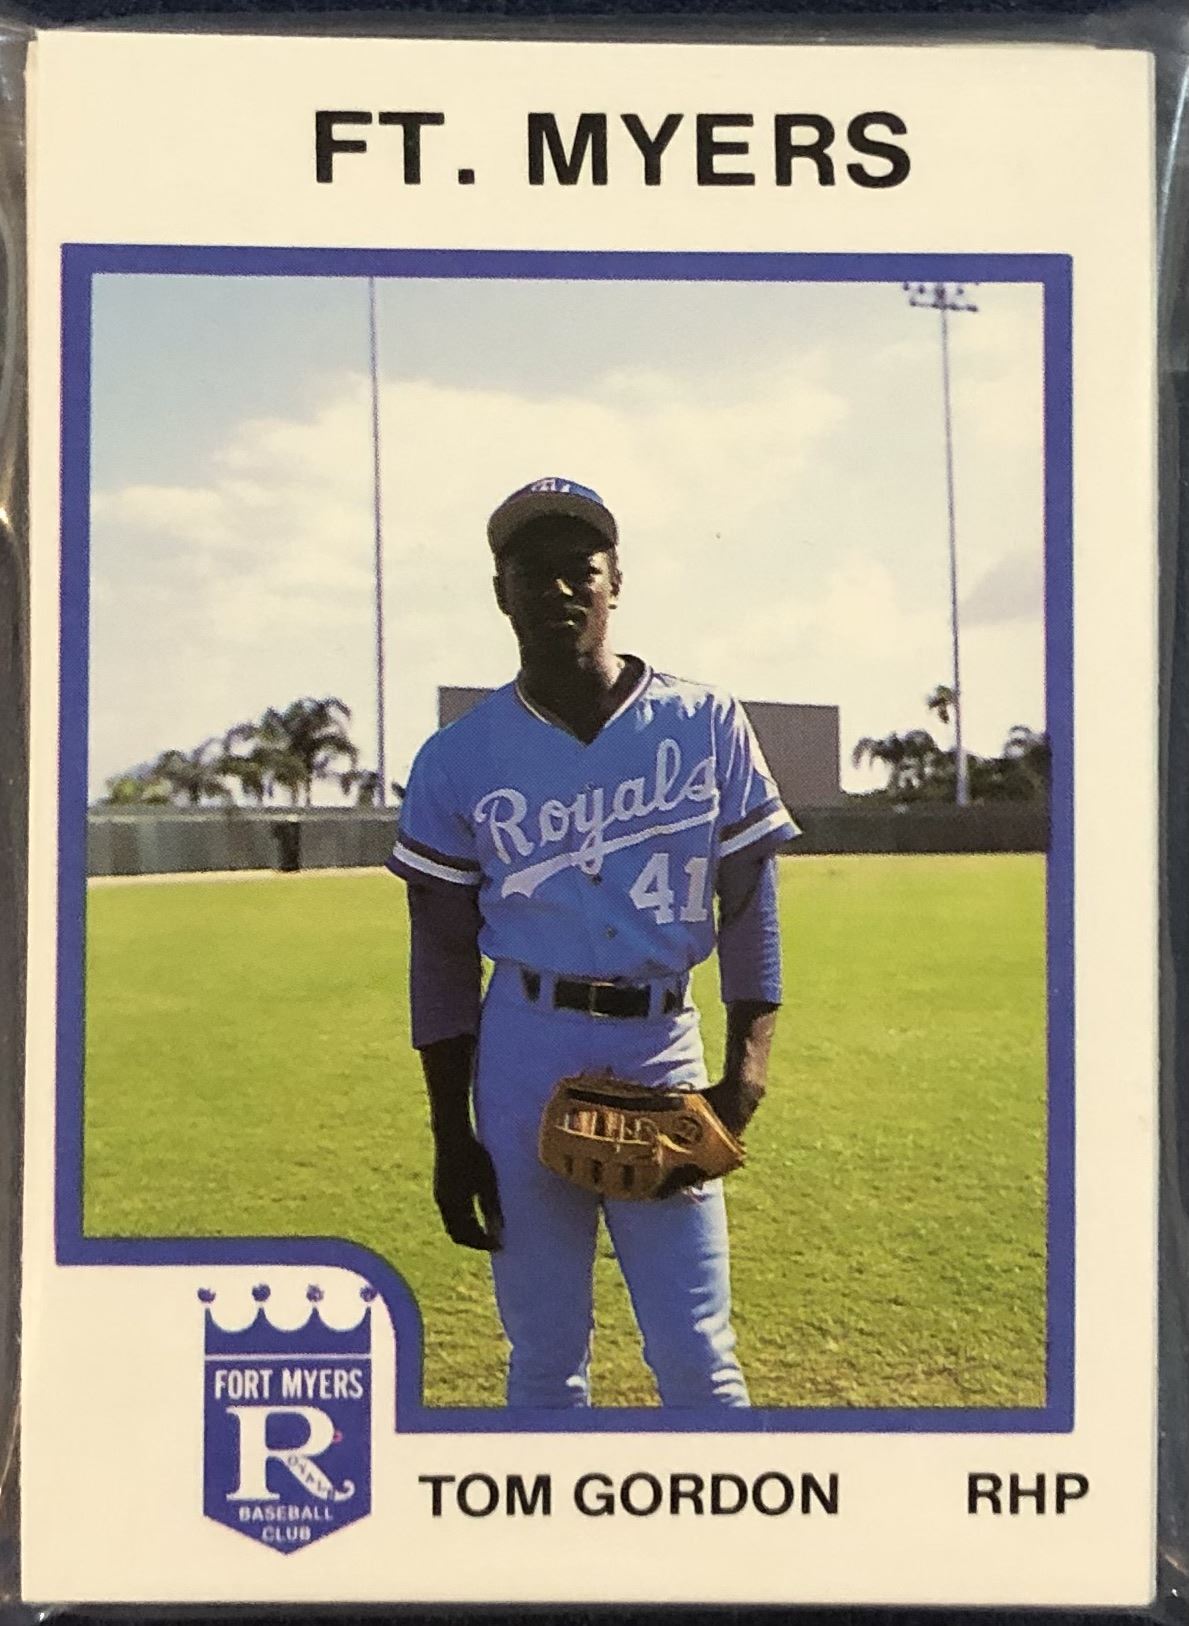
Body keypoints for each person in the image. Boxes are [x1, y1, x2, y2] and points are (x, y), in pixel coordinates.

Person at [387, 477, 799, 1409]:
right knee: (543, 1357)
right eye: (532, 572)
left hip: (660, 1042)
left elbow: (749, 905)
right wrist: (451, 1132)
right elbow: (442, 954)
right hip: (523, 1044)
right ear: (501, 592)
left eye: (581, 568)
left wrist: (745, 1076)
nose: (559, 589)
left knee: (698, 1356)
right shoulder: (457, 756)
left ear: (616, 581)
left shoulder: (702, 722)